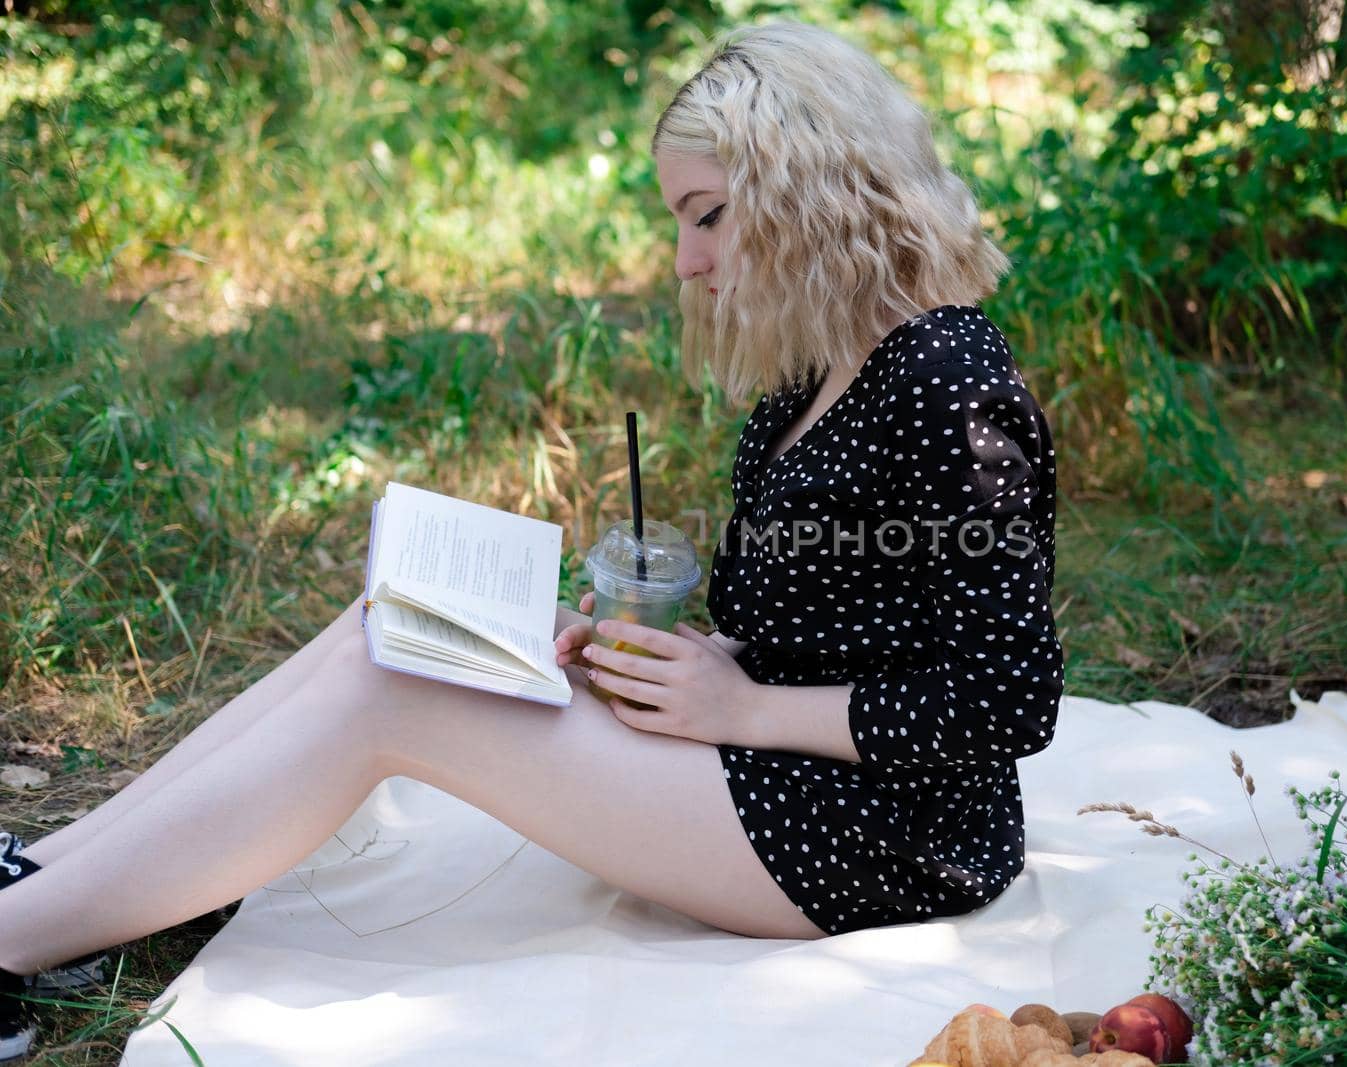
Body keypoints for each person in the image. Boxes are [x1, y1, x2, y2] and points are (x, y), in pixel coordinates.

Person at [0, 20, 1063, 1061]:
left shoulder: (946, 383)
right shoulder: (819, 370)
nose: (687, 261)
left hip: (891, 837)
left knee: (393, 695)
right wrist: (669, 663)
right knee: (400, 619)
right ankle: (34, 875)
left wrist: (740, 705)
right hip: (786, 763)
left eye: (707, 216)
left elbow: (1009, 698)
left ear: (810, 193)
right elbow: (856, 627)